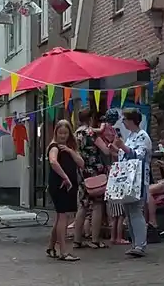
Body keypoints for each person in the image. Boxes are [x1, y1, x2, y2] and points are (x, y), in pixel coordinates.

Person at [73, 109, 114, 250]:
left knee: (83, 205)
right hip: (95, 172)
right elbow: (106, 150)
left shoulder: (76, 134)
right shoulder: (90, 133)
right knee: (97, 205)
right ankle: (95, 240)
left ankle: (77, 239)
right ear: (90, 119)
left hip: (82, 172)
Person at [45, 119, 84, 262]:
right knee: (63, 217)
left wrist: (70, 151)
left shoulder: (69, 148)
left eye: (65, 133)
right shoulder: (54, 147)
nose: (63, 136)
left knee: (60, 217)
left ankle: (51, 246)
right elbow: (53, 161)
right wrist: (65, 177)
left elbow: (81, 163)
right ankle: (63, 251)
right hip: (60, 185)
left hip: (69, 185)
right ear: (56, 133)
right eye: (60, 133)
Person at [117, 109, 153, 258]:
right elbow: (125, 154)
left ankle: (140, 244)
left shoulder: (143, 136)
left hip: (137, 178)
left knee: (136, 209)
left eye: (124, 119)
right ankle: (135, 243)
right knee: (129, 210)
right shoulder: (131, 136)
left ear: (132, 120)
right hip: (127, 178)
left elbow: (139, 156)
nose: (123, 123)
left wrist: (122, 147)